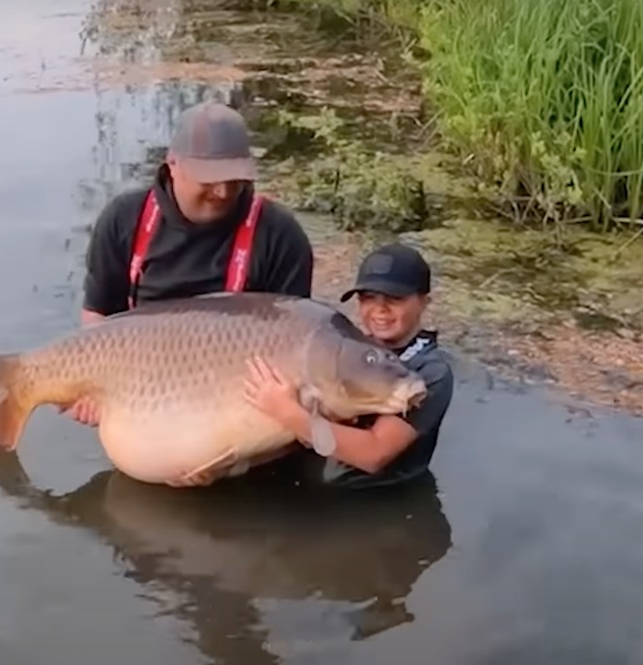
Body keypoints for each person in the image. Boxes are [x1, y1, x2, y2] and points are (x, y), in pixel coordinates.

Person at [65, 100, 316, 425]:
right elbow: (98, 314)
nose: (224, 191)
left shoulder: (280, 235)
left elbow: (296, 341)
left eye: (234, 178)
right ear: (173, 164)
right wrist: (94, 387)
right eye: (209, 179)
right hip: (142, 389)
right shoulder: (123, 219)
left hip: (240, 403)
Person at [242, 242, 455, 490]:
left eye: (394, 299)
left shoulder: (430, 372)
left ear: (423, 302)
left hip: (373, 506)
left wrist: (288, 413)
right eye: (368, 298)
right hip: (306, 497)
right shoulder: (347, 351)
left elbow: (373, 454)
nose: (380, 309)